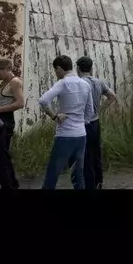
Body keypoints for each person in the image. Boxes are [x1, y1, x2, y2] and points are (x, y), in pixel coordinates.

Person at [39, 55, 94, 190]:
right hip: (81, 135)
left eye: (55, 70)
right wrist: (81, 122)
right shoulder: (85, 84)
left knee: (53, 173)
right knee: (78, 174)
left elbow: (43, 100)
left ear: (59, 68)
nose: (56, 73)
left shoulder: (63, 83)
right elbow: (90, 111)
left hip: (65, 135)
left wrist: (54, 116)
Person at [76, 56, 117, 190]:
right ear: (91, 68)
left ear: (78, 68)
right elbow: (112, 96)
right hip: (95, 122)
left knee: (86, 156)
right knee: (96, 152)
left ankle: (90, 185)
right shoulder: (98, 82)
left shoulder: (78, 83)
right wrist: (100, 109)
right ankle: (99, 180)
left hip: (83, 124)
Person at [0, 58, 24, 190]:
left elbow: (20, 103)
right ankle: (10, 183)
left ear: (6, 69)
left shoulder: (15, 82)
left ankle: (9, 185)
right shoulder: (4, 83)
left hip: (4, 122)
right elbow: (2, 102)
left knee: (1, 157)